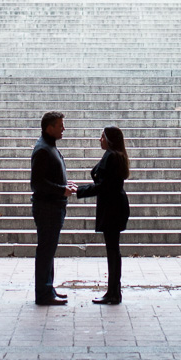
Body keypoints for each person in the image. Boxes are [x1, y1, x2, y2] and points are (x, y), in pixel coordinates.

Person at [74, 124, 131, 304]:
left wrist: (79, 190)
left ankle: (113, 293)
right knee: (114, 250)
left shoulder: (111, 157)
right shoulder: (115, 155)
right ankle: (114, 291)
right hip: (115, 206)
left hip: (112, 208)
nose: (100, 140)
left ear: (109, 140)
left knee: (112, 251)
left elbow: (103, 186)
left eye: (102, 137)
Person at [30, 110, 76, 305]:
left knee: (49, 250)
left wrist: (64, 185)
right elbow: (37, 183)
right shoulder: (42, 149)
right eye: (60, 125)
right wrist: (61, 190)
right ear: (49, 128)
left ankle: (48, 288)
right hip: (47, 208)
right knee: (46, 250)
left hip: (53, 207)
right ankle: (43, 293)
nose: (63, 128)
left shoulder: (48, 147)